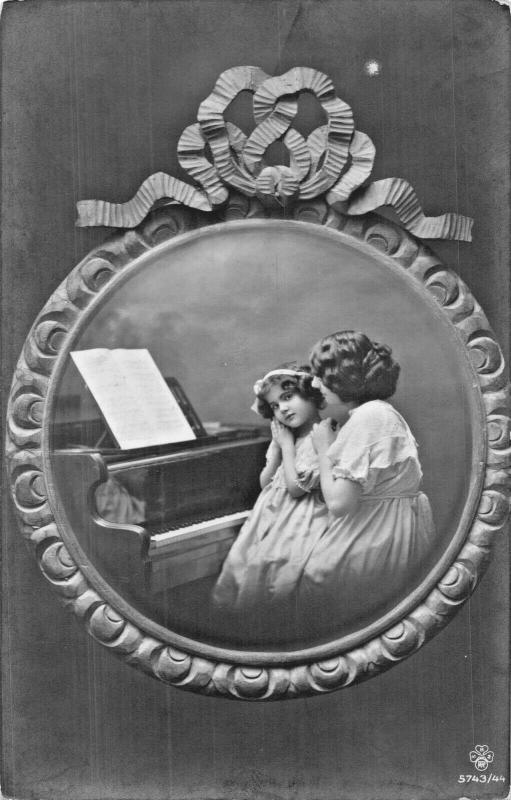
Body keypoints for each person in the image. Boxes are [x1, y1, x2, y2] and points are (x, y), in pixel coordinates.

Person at [299, 330, 436, 634]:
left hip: (377, 536)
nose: (314, 383)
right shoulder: (373, 414)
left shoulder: (368, 418)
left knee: (313, 582)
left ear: (343, 377)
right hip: (387, 527)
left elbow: (339, 504)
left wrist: (323, 449)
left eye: (321, 375)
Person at [211, 365, 329, 638]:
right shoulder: (285, 436)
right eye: (275, 406)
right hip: (270, 517)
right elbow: (267, 484)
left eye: (288, 397)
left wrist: (286, 447)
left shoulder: (323, 434)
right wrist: (277, 449)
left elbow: (296, 489)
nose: (283, 409)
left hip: (303, 520)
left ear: (311, 394)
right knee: (244, 565)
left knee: (276, 574)